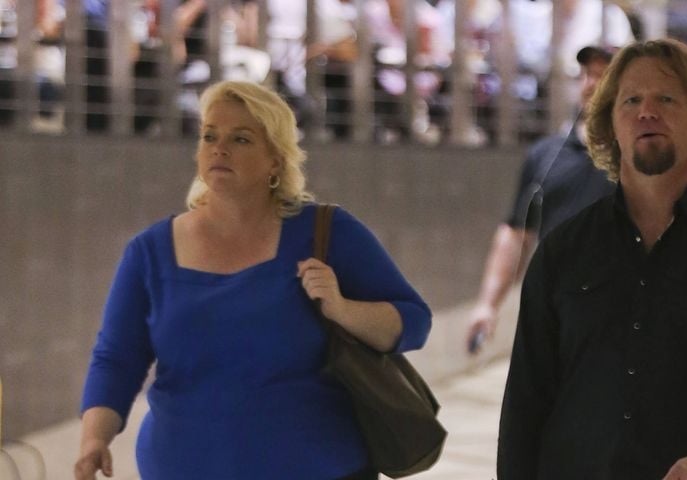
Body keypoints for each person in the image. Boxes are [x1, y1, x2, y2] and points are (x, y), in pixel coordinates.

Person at [74, 81, 432, 480]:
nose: (219, 148)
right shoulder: (150, 251)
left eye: (241, 139)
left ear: (276, 160)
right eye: (210, 135)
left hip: (318, 468)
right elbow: (116, 357)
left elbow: (414, 322)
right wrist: (94, 439)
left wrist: (343, 310)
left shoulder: (328, 234)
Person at [497, 38, 687, 480]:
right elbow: (526, 401)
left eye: (666, 98)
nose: (647, 112)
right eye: (632, 100)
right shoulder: (564, 250)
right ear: (611, 124)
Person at [466, 45, 617, 354]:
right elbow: (516, 234)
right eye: (587, 75)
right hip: (553, 318)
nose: (591, 84)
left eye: (604, 76)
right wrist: (487, 305)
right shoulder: (547, 154)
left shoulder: (640, 158)